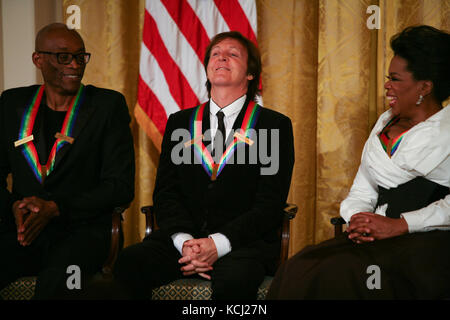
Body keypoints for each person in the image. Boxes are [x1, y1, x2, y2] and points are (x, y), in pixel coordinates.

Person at [267, 25, 450, 300]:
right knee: (300, 265)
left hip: (426, 244)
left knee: (343, 275)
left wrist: (399, 225)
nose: (387, 85)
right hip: (375, 239)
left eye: (396, 79)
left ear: (424, 87)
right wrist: (359, 220)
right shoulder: (383, 124)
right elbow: (363, 191)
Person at [114, 31, 295, 300]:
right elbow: (166, 193)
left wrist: (217, 244)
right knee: (129, 263)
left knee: (234, 283)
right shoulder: (180, 123)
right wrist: (185, 242)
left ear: (250, 74)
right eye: (216, 53)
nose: (222, 57)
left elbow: (269, 204)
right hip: (182, 240)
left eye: (233, 54)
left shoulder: (273, 125)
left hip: (242, 244)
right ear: (208, 69)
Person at [0, 23, 135, 299]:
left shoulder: (107, 106)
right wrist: (13, 205)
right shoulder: (12, 104)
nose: (74, 64)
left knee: (62, 281)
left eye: (80, 56)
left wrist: (57, 207)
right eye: (63, 56)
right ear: (38, 59)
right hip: (26, 228)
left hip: (84, 231)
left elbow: (120, 186)